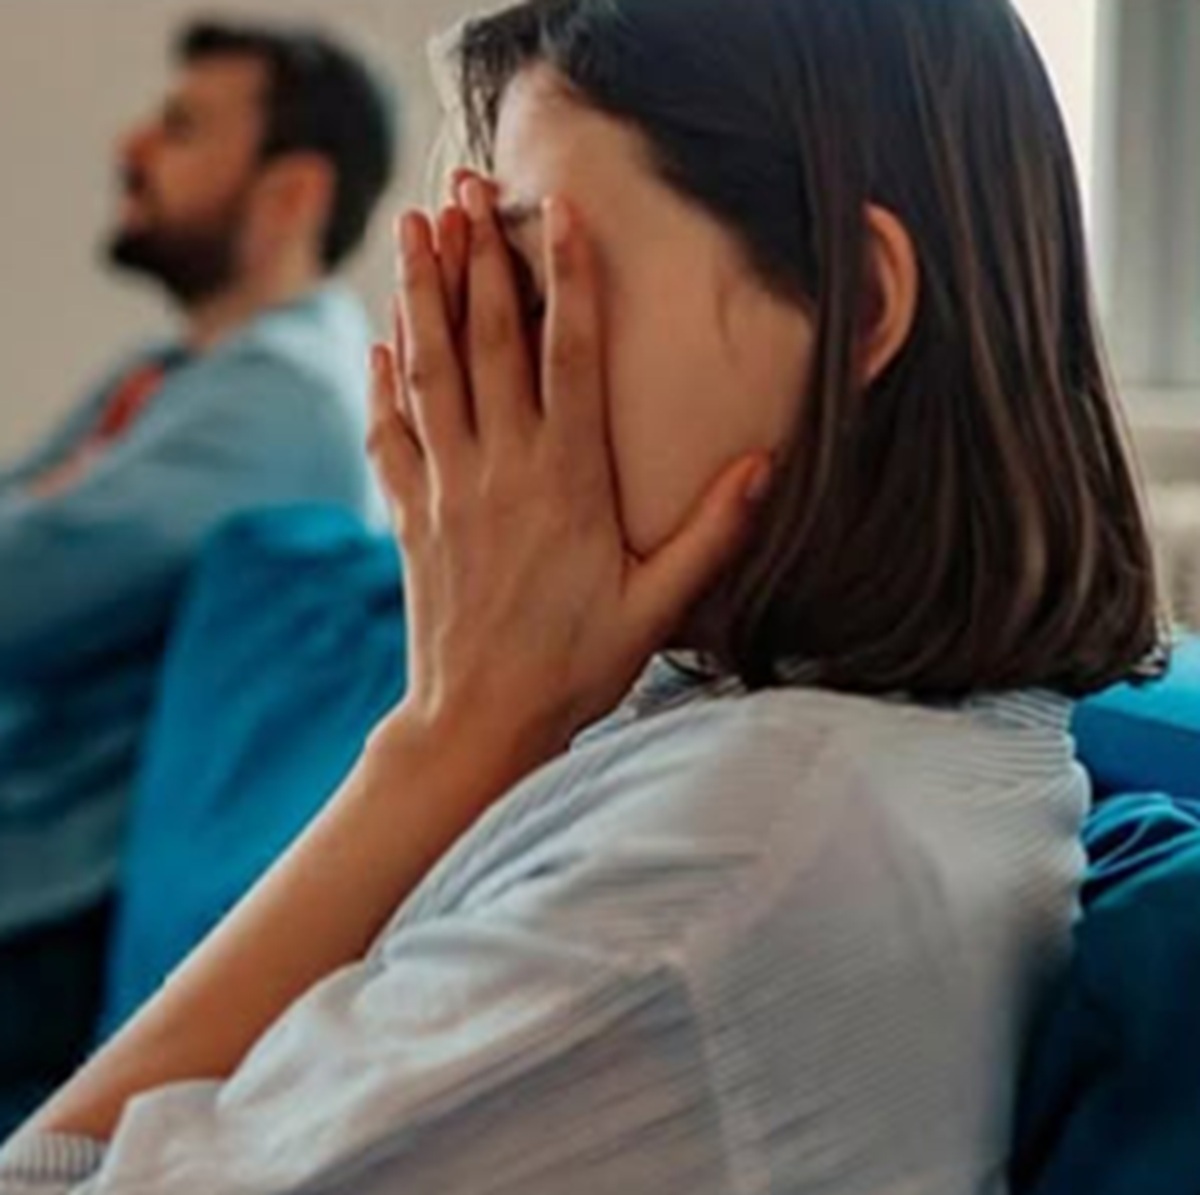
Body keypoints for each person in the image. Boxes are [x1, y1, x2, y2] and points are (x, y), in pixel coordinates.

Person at [0, 0, 1163, 1190]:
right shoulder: (760, 724)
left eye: (542, 294)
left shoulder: (706, 890)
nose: (477, 374)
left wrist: (445, 743)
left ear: (855, 308)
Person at [0, 19, 396, 1132]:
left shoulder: (288, 404)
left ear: (290, 193)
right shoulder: (169, 377)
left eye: (181, 128)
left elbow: (21, 580)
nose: (133, 145)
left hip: (47, 919)